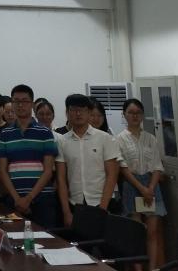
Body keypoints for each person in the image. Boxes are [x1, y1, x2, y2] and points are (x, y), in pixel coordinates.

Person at [0, 84, 59, 228]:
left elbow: (48, 171)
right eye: (16, 101)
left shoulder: (45, 133)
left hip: (42, 199)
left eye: (24, 101)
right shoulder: (5, 134)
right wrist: (18, 199)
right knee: (14, 239)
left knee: (46, 239)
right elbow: (3, 171)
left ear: (31, 103)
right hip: (14, 199)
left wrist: (28, 198)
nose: (20, 105)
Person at [56, 93, 121, 227]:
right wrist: (66, 212)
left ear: (89, 112)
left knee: (104, 240)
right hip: (75, 203)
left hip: (102, 202)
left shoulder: (105, 138)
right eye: (73, 110)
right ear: (67, 113)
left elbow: (112, 175)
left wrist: (102, 209)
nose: (78, 113)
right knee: (78, 240)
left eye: (82, 110)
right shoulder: (62, 141)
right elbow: (61, 179)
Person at [116, 99, 166, 268]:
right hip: (132, 184)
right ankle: (138, 269)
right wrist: (141, 188)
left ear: (143, 115)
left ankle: (152, 268)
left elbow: (157, 166)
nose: (135, 116)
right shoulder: (119, 139)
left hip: (151, 185)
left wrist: (150, 188)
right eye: (131, 112)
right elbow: (123, 168)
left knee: (152, 232)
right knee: (136, 232)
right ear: (124, 115)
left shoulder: (151, 138)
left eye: (138, 112)